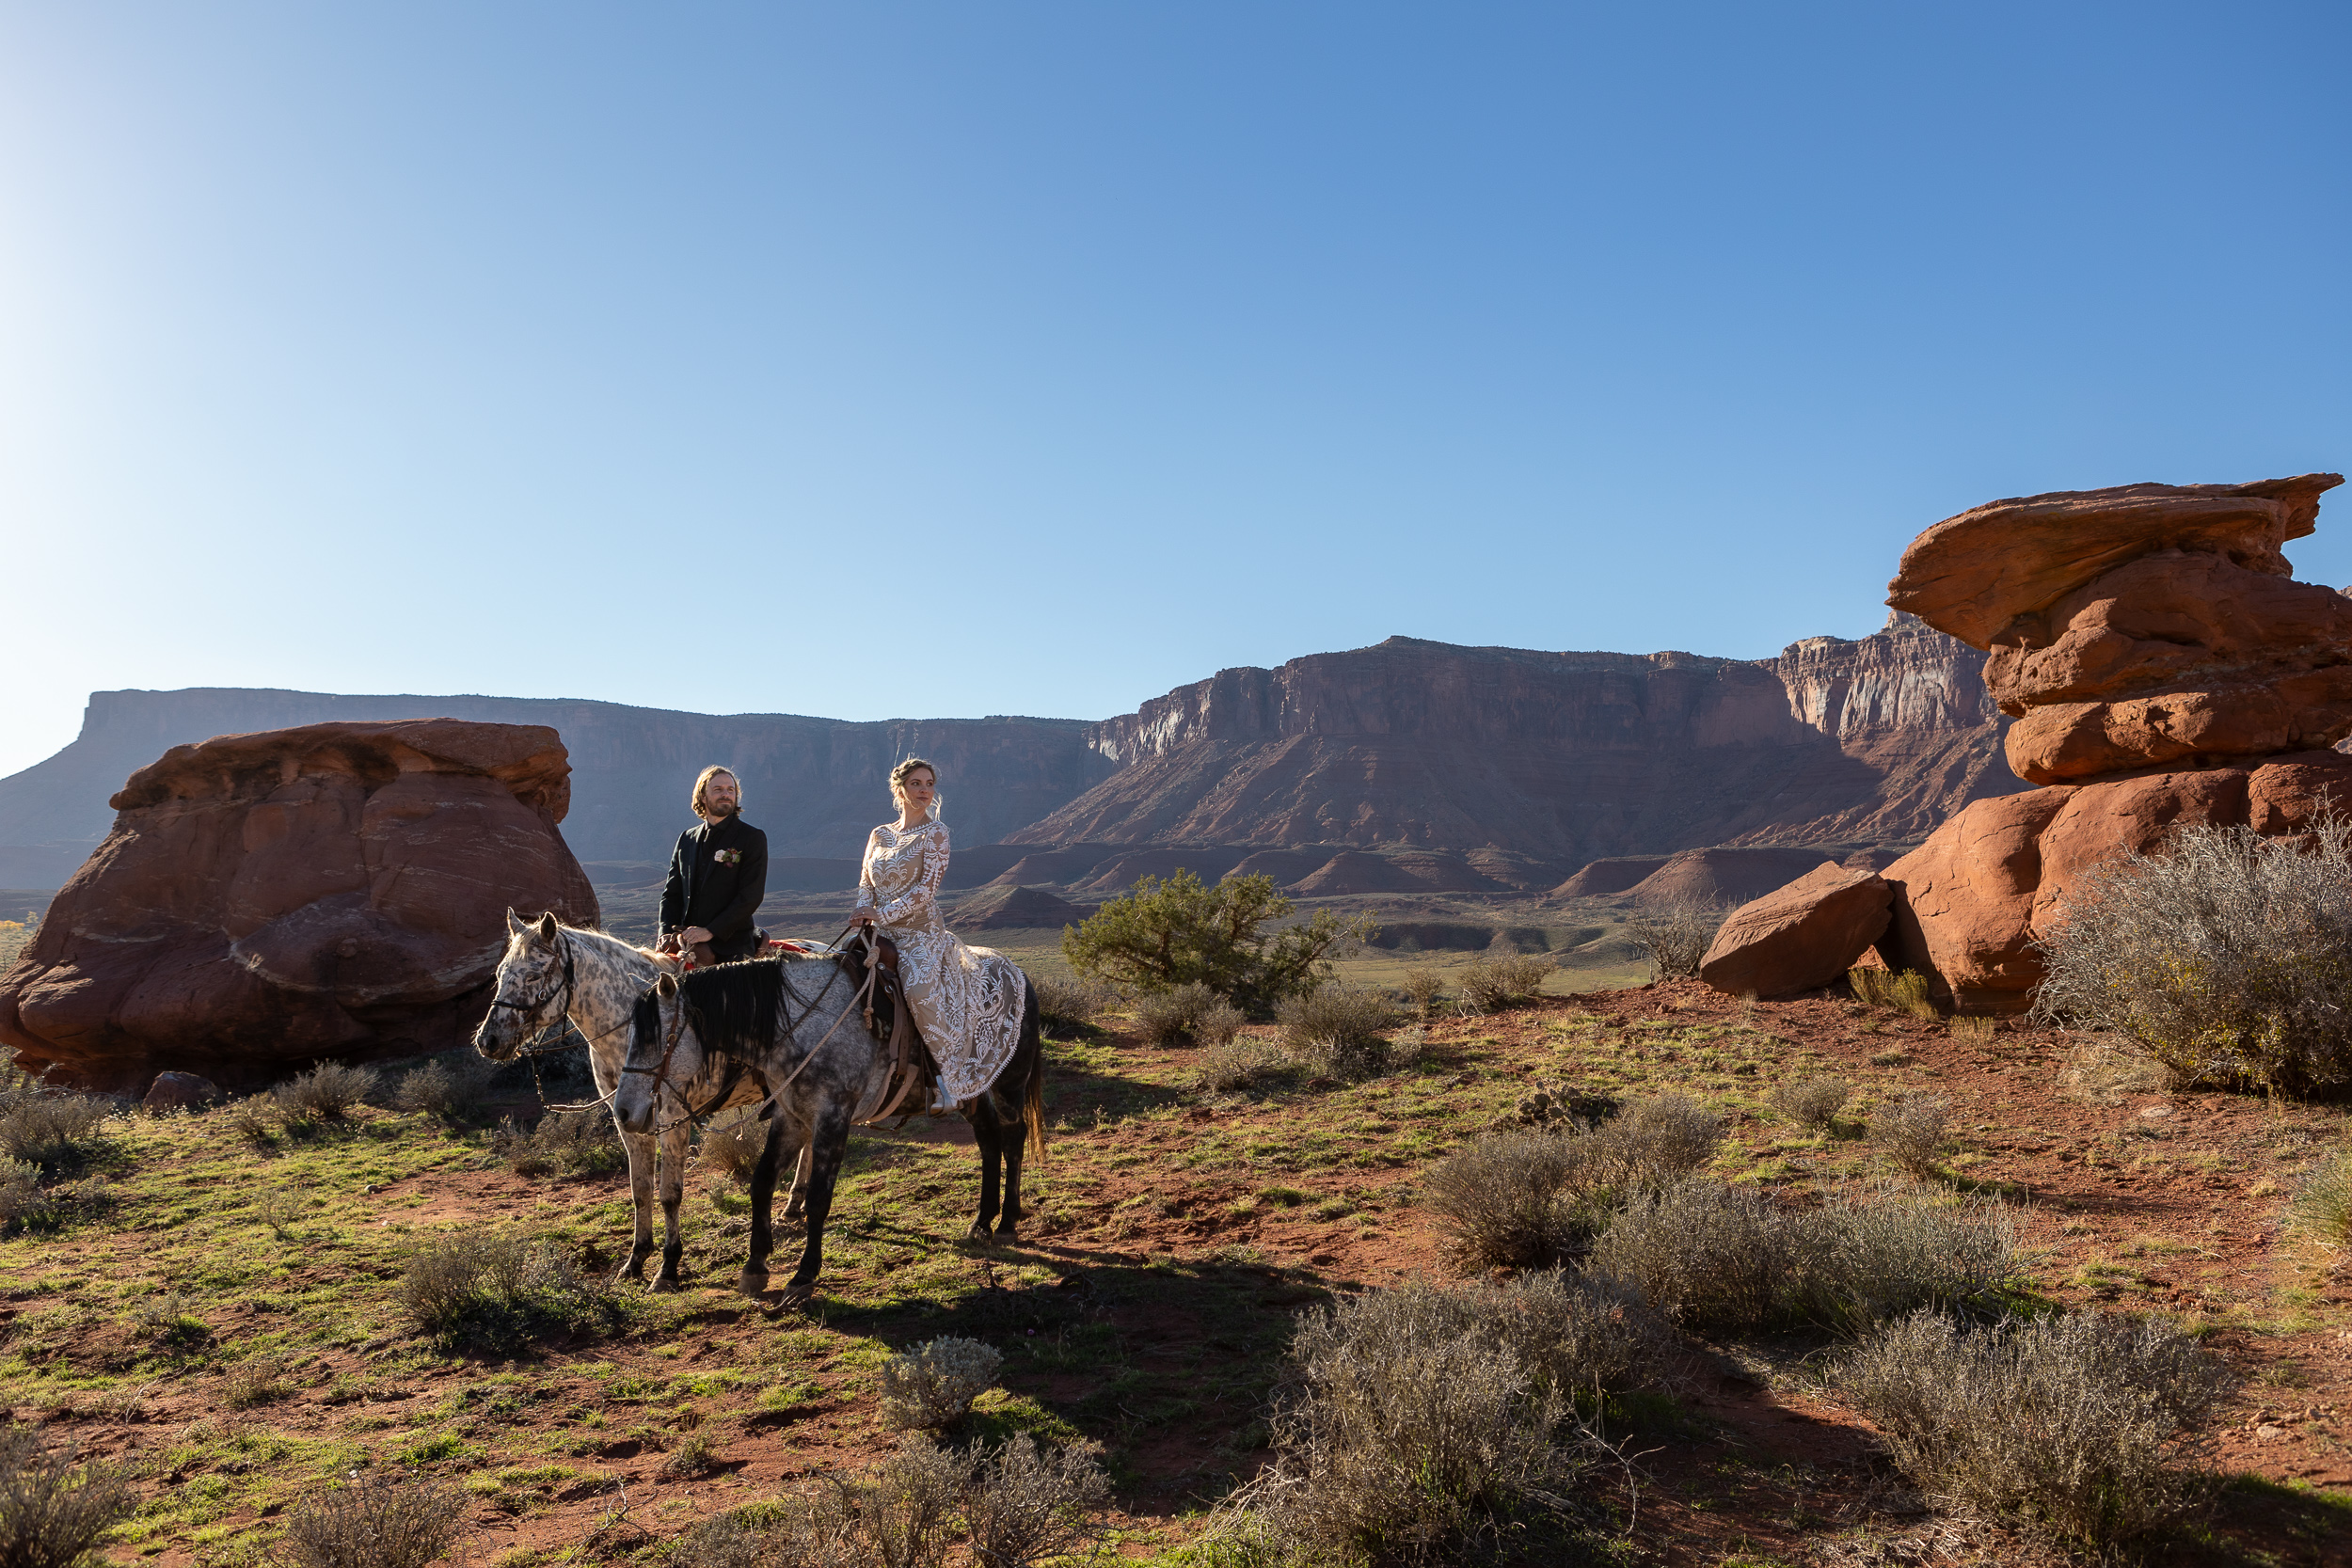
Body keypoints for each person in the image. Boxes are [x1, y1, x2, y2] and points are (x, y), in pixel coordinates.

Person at [850, 757, 1026, 1110]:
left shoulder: (936, 833)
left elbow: (925, 891)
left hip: (920, 935)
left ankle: (947, 1083)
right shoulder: (879, 834)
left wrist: (882, 912)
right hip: (878, 932)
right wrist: (864, 911)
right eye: (916, 784)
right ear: (900, 789)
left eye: (929, 784)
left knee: (918, 991)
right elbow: (865, 881)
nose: (924, 791)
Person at [658, 766, 769, 967]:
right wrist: (665, 933)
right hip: (686, 940)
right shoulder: (686, 839)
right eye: (718, 789)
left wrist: (710, 931)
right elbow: (671, 894)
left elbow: (750, 896)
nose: (725, 795)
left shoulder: (751, 838)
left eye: (730, 790)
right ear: (702, 796)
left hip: (731, 945)